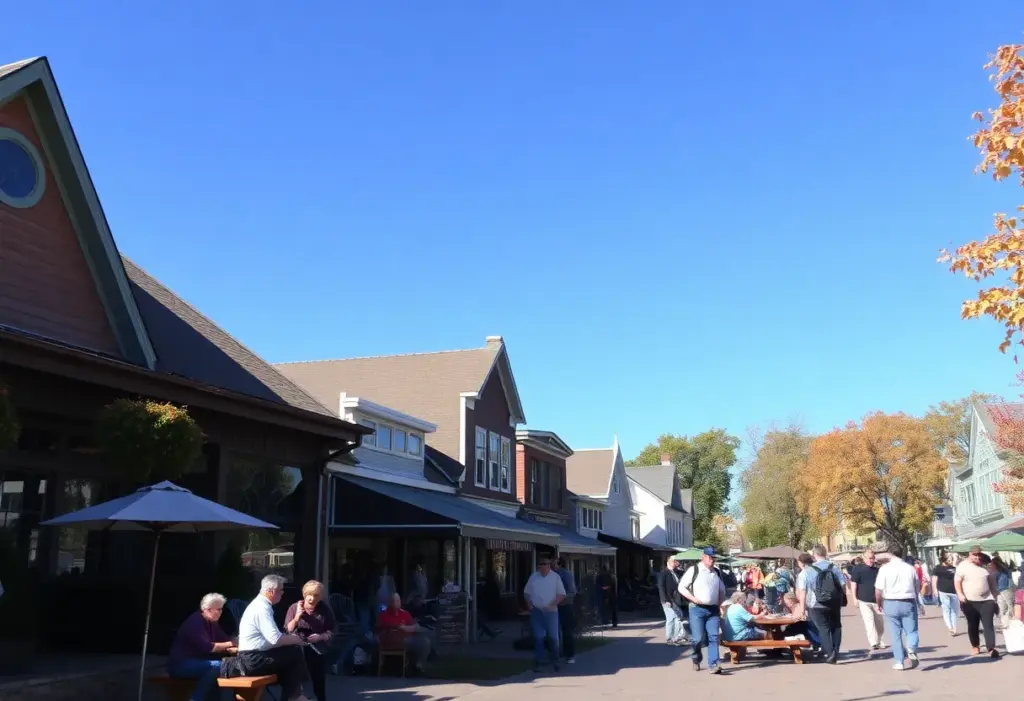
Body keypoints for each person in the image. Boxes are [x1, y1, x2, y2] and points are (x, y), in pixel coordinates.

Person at [237, 575, 311, 701]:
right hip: (252, 660)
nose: (282, 593)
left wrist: (291, 639)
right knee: (295, 654)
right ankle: (296, 696)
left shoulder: (261, 605)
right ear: (271, 591)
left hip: (255, 656)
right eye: (281, 590)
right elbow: (275, 639)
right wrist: (296, 639)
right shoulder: (261, 608)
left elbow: (272, 639)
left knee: (291, 658)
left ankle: (296, 696)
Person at [168, 593, 235, 701]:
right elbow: (209, 648)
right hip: (180, 665)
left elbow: (225, 640)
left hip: (198, 663)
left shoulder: (212, 623)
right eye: (218, 609)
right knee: (217, 666)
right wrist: (232, 644)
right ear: (207, 609)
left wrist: (236, 644)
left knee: (221, 669)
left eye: (221, 609)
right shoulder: (195, 622)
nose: (220, 612)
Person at [678, 546, 727, 675]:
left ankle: (714, 664)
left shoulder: (716, 572)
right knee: (697, 639)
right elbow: (681, 587)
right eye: (710, 557)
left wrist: (721, 605)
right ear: (703, 557)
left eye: (714, 558)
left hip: (713, 610)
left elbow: (722, 590)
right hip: (697, 609)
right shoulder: (694, 570)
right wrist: (693, 599)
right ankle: (696, 658)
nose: (712, 560)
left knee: (714, 637)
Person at [284, 581, 336, 701]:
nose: (312, 599)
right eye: (309, 595)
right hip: (298, 645)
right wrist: (297, 617)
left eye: (316, 596)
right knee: (296, 672)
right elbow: (288, 629)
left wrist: (321, 636)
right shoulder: (294, 607)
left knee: (318, 674)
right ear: (304, 594)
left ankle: (320, 697)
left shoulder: (324, 609)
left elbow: (332, 630)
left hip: (317, 646)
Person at [874, 544, 920, 671]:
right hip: (908, 601)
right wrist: (918, 602)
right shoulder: (910, 568)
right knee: (911, 631)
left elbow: (878, 590)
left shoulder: (884, 569)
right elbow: (917, 586)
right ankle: (911, 648)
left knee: (895, 634)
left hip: (890, 602)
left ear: (890, 554)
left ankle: (899, 662)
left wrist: (879, 604)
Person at [797, 544, 845, 664]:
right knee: (836, 626)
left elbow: (803, 593)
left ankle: (830, 653)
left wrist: (802, 610)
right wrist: (841, 598)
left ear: (814, 554)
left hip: (816, 604)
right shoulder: (834, 567)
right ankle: (836, 651)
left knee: (823, 628)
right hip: (834, 602)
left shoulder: (808, 571)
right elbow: (843, 584)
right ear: (825, 553)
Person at [954, 546, 1000, 658]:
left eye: (979, 554)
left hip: (987, 599)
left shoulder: (985, 565)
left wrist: (994, 595)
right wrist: (960, 594)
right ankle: (975, 645)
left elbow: (991, 580)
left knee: (988, 624)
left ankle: (991, 648)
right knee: (973, 624)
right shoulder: (962, 566)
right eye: (975, 554)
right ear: (970, 554)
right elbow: (957, 581)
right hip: (969, 600)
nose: (977, 557)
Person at [524, 558, 566, 673]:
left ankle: (556, 661)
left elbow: (561, 594)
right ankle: (538, 662)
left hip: (551, 611)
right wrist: (529, 604)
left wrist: (553, 604)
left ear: (549, 566)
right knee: (538, 637)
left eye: (544, 565)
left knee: (553, 638)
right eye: (540, 565)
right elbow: (527, 593)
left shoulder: (555, 577)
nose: (542, 567)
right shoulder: (534, 577)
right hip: (537, 611)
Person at [376, 592, 432, 674]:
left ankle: (418, 666)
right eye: (393, 601)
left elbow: (414, 626)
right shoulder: (384, 615)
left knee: (425, 640)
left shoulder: (404, 613)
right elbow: (388, 628)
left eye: (398, 601)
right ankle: (413, 667)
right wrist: (404, 628)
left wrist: (407, 628)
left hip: (407, 640)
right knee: (419, 642)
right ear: (390, 602)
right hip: (392, 642)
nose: (396, 603)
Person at [848, 549, 886, 652]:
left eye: (873, 558)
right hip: (863, 600)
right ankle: (873, 642)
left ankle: (879, 640)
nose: (872, 560)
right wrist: (854, 598)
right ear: (864, 558)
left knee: (880, 623)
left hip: (877, 600)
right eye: (869, 558)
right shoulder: (858, 569)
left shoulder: (877, 569)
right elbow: (853, 584)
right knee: (869, 621)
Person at [551, 557, 578, 664]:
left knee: (567, 630)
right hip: (553, 606)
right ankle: (556, 653)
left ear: (560, 564)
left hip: (565, 606)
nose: (552, 566)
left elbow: (572, 592)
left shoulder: (565, 575)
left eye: (554, 564)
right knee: (554, 631)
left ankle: (570, 655)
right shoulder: (551, 576)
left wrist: (561, 599)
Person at [658, 556, 686, 646]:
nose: (677, 563)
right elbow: (661, 587)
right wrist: (664, 600)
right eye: (675, 561)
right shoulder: (664, 573)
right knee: (671, 618)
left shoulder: (675, 572)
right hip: (668, 599)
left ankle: (676, 638)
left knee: (677, 618)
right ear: (669, 562)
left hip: (676, 599)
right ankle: (670, 639)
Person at [931, 552, 960, 636]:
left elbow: (959, 578)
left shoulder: (954, 568)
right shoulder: (938, 568)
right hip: (943, 591)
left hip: (954, 592)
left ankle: (954, 628)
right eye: (949, 558)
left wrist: (955, 563)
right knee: (946, 609)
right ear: (944, 559)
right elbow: (934, 579)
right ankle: (950, 627)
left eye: (951, 558)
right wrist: (935, 590)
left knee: (955, 611)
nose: (950, 560)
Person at [990, 555, 1015, 630]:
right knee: (1003, 607)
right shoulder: (999, 571)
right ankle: (1005, 623)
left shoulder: (1003, 571)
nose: (991, 565)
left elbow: (1010, 567)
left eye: (993, 564)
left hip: (1005, 589)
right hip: (1000, 590)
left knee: (1009, 606)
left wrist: (997, 560)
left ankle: (1009, 622)